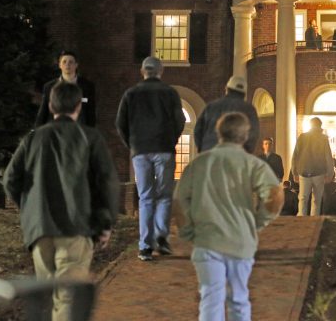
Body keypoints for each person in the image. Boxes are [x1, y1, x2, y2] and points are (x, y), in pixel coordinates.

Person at [3, 82, 119, 321]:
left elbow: (11, 179)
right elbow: (106, 182)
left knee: (46, 298)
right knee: (68, 299)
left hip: (40, 228)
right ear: (78, 106)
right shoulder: (89, 137)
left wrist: (29, 209)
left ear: (50, 105)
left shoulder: (34, 138)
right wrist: (105, 223)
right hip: (75, 228)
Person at [174, 112, 283, 321]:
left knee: (210, 299)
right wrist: (258, 222)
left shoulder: (199, 163)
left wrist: (188, 231)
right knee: (239, 300)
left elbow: (179, 200)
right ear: (245, 136)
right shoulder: (253, 164)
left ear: (219, 133)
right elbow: (275, 195)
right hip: (240, 240)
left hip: (207, 241)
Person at [116, 56, 185, 261]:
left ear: (142, 72)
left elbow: (121, 123)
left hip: (140, 150)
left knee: (145, 197)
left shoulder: (131, 94)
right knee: (164, 195)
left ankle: (145, 246)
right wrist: (170, 138)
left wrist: (133, 144)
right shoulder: (170, 93)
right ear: (160, 72)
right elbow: (179, 120)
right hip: (164, 148)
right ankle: (161, 238)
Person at [194, 75, 261, 154]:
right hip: (237, 156)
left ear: (227, 89)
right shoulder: (249, 110)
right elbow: (253, 134)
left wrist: (203, 150)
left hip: (210, 153)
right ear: (244, 93)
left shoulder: (211, 106)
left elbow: (198, 130)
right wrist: (246, 153)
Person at [35, 50, 97, 127]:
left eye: (71, 62)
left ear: (76, 65)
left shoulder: (87, 86)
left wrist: (90, 132)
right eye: (64, 62)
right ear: (59, 65)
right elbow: (44, 111)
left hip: (79, 130)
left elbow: (91, 112)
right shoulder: (49, 87)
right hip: (55, 130)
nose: (67, 64)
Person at [291, 117, 334, 216]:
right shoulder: (323, 138)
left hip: (304, 171)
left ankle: (302, 222)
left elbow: (295, 155)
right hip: (319, 172)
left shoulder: (302, 137)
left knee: (303, 198)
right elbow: (328, 156)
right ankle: (314, 221)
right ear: (320, 125)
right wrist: (330, 174)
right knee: (316, 200)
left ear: (310, 125)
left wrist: (294, 172)